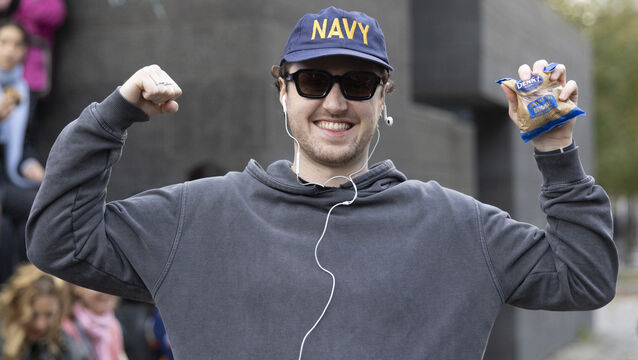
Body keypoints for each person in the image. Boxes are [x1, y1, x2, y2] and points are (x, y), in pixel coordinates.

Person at [25, 6, 618, 359]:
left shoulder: (459, 225)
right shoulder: (195, 216)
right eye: (312, 80)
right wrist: (110, 117)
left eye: (358, 83)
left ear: (384, 97)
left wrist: (555, 151)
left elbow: (585, 278)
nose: (334, 100)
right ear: (281, 90)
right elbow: (59, 241)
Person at [0, 19, 44, 284]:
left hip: (10, 175)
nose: (10, 51)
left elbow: (25, 140)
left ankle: (28, 288)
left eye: (17, 44)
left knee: (43, 201)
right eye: (3, 43)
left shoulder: (25, 93)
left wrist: (30, 162)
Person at [0, 263, 88, 360]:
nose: (40, 325)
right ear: (18, 306)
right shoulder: (3, 340)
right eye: (33, 314)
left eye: (49, 315)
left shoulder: (66, 347)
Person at [62, 285, 127, 360]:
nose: (105, 292)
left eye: (110, 283)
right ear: (77, 287)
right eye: (98, 284)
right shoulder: (66, 327)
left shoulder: (113, 325)